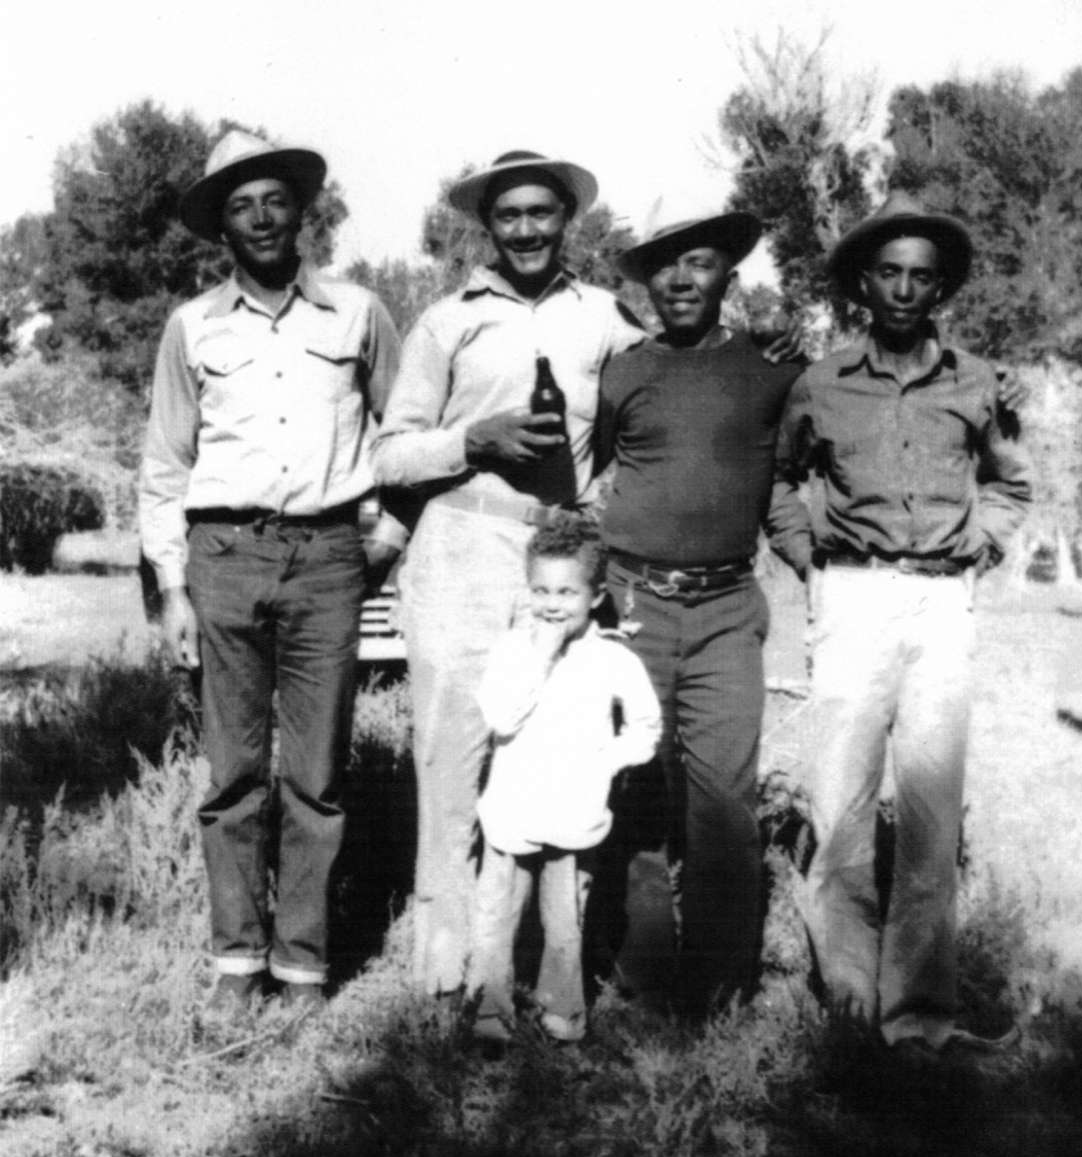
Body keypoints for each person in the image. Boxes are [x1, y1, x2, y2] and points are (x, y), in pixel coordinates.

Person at [372, 149, 648, 998]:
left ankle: (534, 962)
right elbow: (388, 452)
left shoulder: (603, 318)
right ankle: (442, 966)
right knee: (453, 758)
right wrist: (472, 441)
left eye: (542, 213)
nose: (526, 230)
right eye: (509, 216)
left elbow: (658, 396)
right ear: (485, 226)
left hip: (554, 559)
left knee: (547, 754)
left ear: (568, 220)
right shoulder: (446, 320)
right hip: (459, 543)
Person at [138, 130, 402, 1011]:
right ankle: (236, 960)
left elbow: (402, 438)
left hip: (329, 556)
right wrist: (172, 589)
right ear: (222, 225)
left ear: (303, 212)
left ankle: (302, 962)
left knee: (317, 774)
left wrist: (384, 541)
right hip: (222, 557)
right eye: (239, 205)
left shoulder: (359, 314)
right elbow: (166, 466)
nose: (259, 218)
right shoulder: (192, 328)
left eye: (274, 201)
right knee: (233, 772)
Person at [781, 191, 1033, 1054]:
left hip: (941, 600)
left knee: (931, 811)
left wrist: (982, 550)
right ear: (863, 282)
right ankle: (851, 998)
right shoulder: (820, 382)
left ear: (941, 291)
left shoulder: (976, 381)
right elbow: (781, 482)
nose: (902, 289)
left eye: (921, 277)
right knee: (841, 801)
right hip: (852, 594)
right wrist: (811, 561)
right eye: (887, 272)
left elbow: (1010, 481)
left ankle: (918, 1017)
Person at [591, 207, 808, 1016]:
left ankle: (720, 985)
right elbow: (588, 474)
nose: (682, 280)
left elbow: (791, 481)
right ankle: (644, 973)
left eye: (702, 264)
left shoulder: (773, 370)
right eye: (666, 267)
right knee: (636, 789)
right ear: (646, 282)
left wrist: (819, 569)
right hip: (633, 602)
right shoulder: (623, 371)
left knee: (723, 797)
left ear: (730, 277)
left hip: (725, 606)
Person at [468, 518, 661, 1045]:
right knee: (498, 915)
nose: (553, 605)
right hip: (512, 810)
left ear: (596, 595)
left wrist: (606, 760)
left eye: (567, 593)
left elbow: (646, 727)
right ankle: (490, 1010)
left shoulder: (613, 658)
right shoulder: (512, 650)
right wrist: (543, 654)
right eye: (541, 591)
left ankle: (563, 1014)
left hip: (574, 812)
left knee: (564, 919)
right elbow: (502, 718)